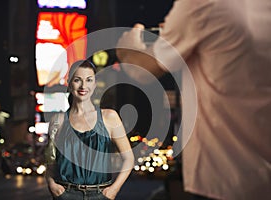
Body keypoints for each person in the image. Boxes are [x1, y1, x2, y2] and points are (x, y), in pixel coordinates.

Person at [116, 0, 271, 199]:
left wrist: (127, 48)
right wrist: (181, 31)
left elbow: (142, 69)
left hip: (224, 180)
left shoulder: (201, 4)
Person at [45, 59, 134, 200]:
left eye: (88, 80)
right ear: (69, 83)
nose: (83, 86)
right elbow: (50, 161)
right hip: (66, 194)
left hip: (101, 195)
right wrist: (52, 185)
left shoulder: (109, 117)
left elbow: (129, 158)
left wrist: (113, 190)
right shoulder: (58, 120)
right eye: (77, 80)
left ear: (95, 84)